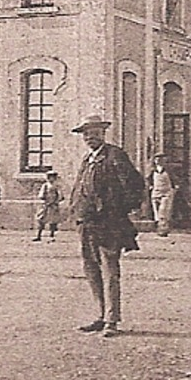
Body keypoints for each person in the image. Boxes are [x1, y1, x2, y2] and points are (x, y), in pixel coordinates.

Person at [69, 114, 145, 337]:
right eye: (86, 133)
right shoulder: (87, 159)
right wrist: (76, 211)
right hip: (87, 224)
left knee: (110, 271)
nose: (90, 137)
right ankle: (101, 315)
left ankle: (112, 320)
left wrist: (118, 211)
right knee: (91, 270)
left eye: (94, 132)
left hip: (108, 224)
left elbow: (135, 184)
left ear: (103, 133)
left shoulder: (115, 155)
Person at [148, 154, 177, 236]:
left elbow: (174, 179)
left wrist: (174, 188)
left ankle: (164, 230)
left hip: (166, 192)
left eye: (161, 160)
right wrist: (150, 186)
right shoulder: (152, 170)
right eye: (157, 160)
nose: (159, 161)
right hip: (155, 192)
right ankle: (159, 229)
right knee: (156, 213)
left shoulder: (169, 170)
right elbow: (148, 179)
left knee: (163, 211)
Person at [34, 169, 62, 241]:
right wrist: (45, 200)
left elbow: (60, 196)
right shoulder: (45, 185)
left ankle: (51, 236)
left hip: (53, 206)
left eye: (53, 177)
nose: (51, 178)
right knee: (41, 219)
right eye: (50, 177)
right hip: (45, 205)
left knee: (53, 221)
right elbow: (41, 195)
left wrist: (56, 201)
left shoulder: (57, 186)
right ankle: (38, 235)